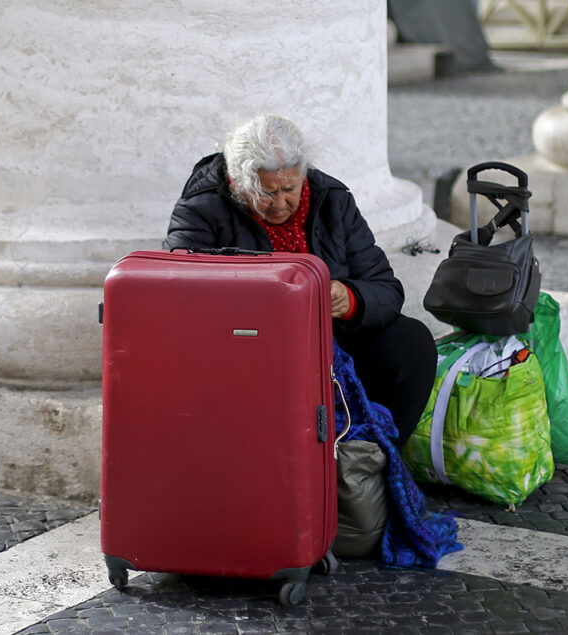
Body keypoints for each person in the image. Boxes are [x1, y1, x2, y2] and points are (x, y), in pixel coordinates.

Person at [164, 114, 436, 448]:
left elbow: (386, 288)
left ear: (301, 175)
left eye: (289, 188)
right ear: (238, 183)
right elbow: (178, 298)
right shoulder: (202, 207)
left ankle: (373, 462)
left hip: (331, 340)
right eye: (265, 193)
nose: (280, 204)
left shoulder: (332, 198)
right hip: (249, 347)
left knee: (411, 343)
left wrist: (350, 299)